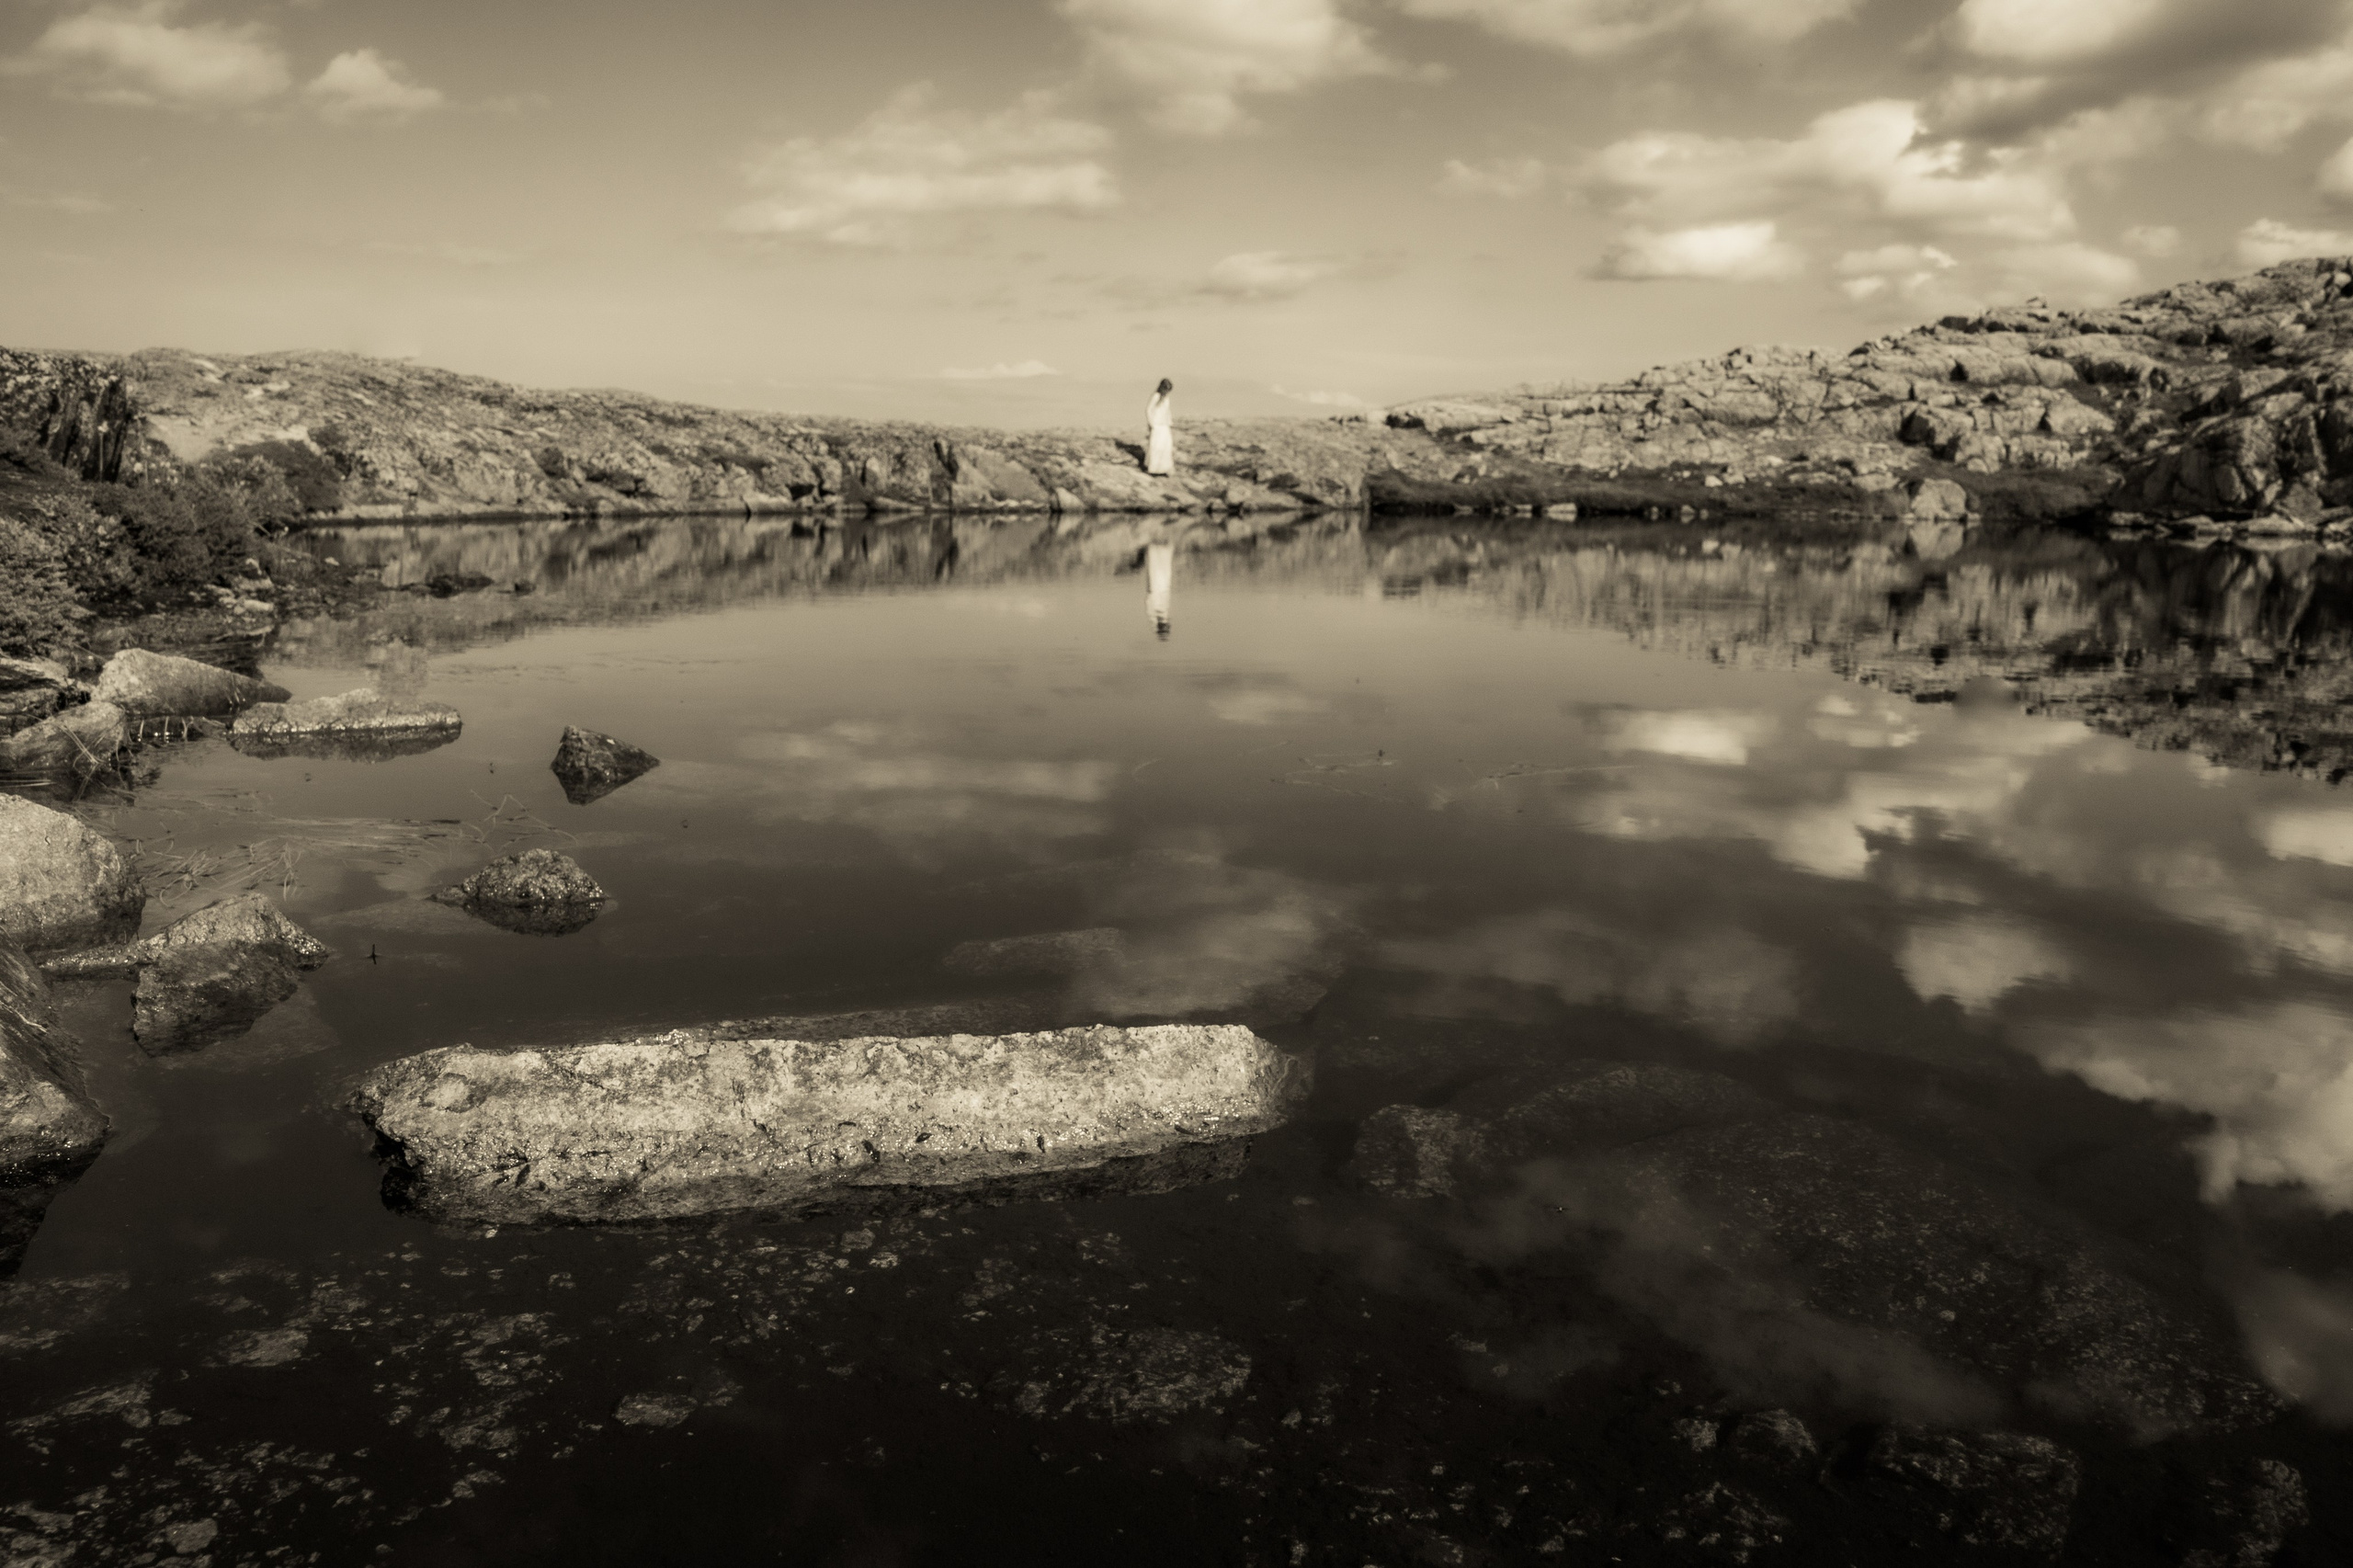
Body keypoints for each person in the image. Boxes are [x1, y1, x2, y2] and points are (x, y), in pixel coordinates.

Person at [1144, 379, 1174, 476]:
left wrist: (1169, 422)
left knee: (1166, 447)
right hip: (1157, 426)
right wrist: (1151, 424)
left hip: (1165, 426)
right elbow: (1148, 410)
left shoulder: (1166, 398)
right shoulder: (1155, 396)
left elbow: (1167, 411)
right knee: (1156, 447)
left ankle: (1164, 469)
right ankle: (1154, 469)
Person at [1144, 541, 1173, 640]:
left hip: (1157, 590)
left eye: (1164, 627)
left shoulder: (1154, 616)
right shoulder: (1161, 616)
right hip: (1159, 590)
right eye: (1166, 627)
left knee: (1159, 571)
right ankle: (1159, 547)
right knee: (1160, 571)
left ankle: (1158, 548)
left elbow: (1148, 601)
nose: (1166, 625)